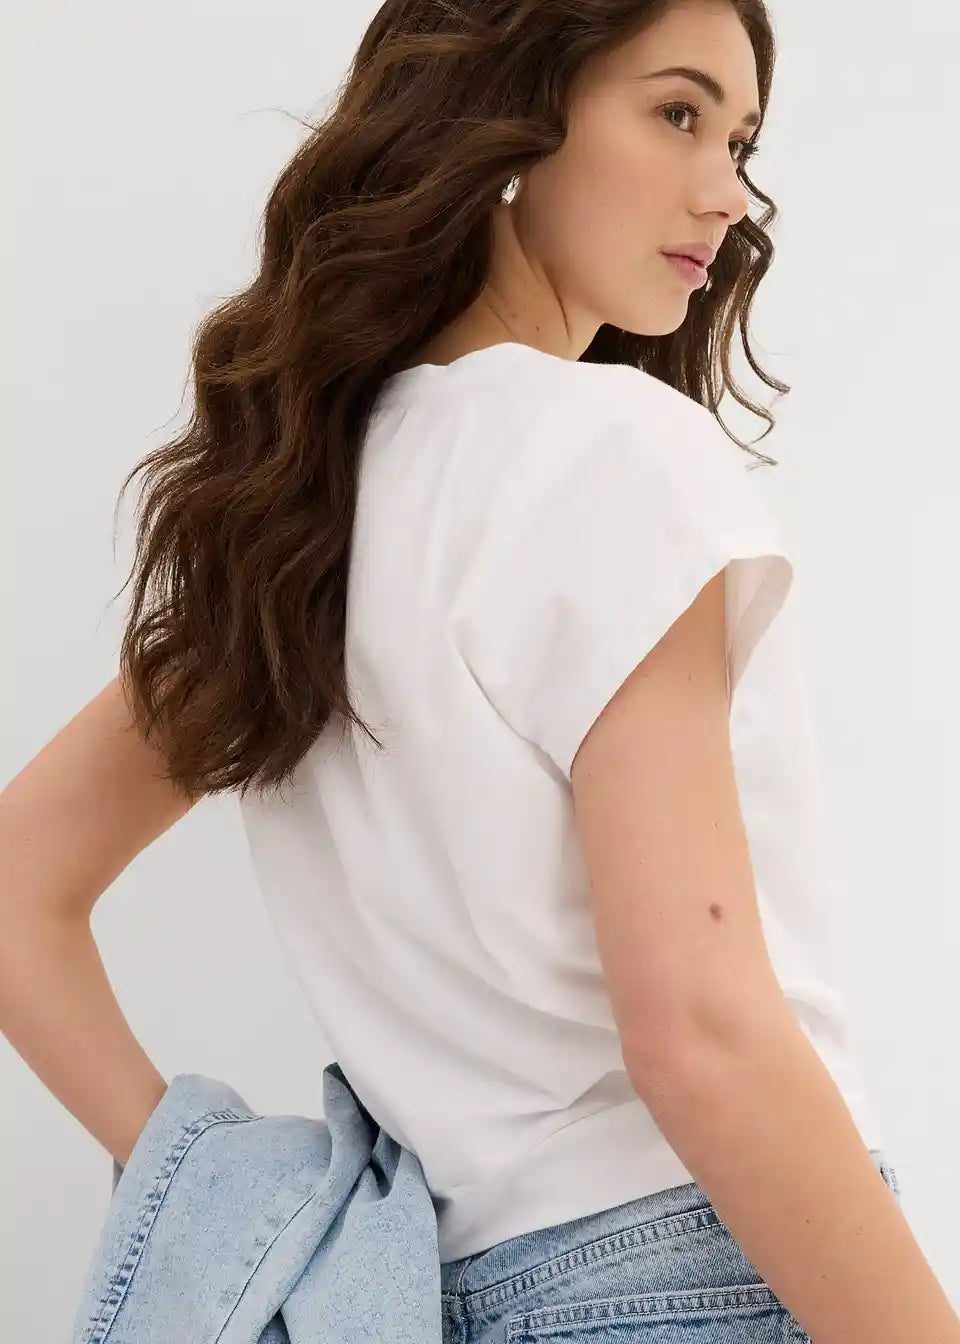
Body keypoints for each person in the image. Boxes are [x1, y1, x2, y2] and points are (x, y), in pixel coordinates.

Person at [2, 0, 958, 1339]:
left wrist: (219, 1191)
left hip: (451, 1295)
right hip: (709, 1268)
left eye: (740, 140)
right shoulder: (616, 453)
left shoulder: (294, 528)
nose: (728, 194)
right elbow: (701, 1040)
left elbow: (17, 885)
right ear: (510, 116)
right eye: (676, 113)